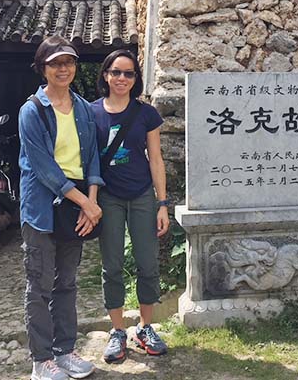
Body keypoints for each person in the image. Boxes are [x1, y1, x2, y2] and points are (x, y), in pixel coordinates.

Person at [18, 36, 104, 380]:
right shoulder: (32, 111)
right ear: (43, 69)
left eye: (68, 62)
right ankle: (41, 360)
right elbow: (44, 168)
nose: (63, 68)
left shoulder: (83, 107)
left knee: (67, 282)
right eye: (55, 63)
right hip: (42, 207)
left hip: (78, 206)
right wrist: (85, 202)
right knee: (39, 283)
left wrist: (92, 201)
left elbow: (93, 156)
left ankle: (64, 351)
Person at [89, 49, 170, 363]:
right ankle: (118, 330)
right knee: (112, 267)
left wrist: (162, 203)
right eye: (116, 72)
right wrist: (91, 202)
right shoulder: (91, 113)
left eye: (129, 74)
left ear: (135, 79)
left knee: (148, 264)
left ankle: (146, 327)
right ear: (106, 75)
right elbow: (89, 161)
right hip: (108, 197)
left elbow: (156, 160)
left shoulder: (146, 113)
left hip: (141, 196)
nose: (122, 78)